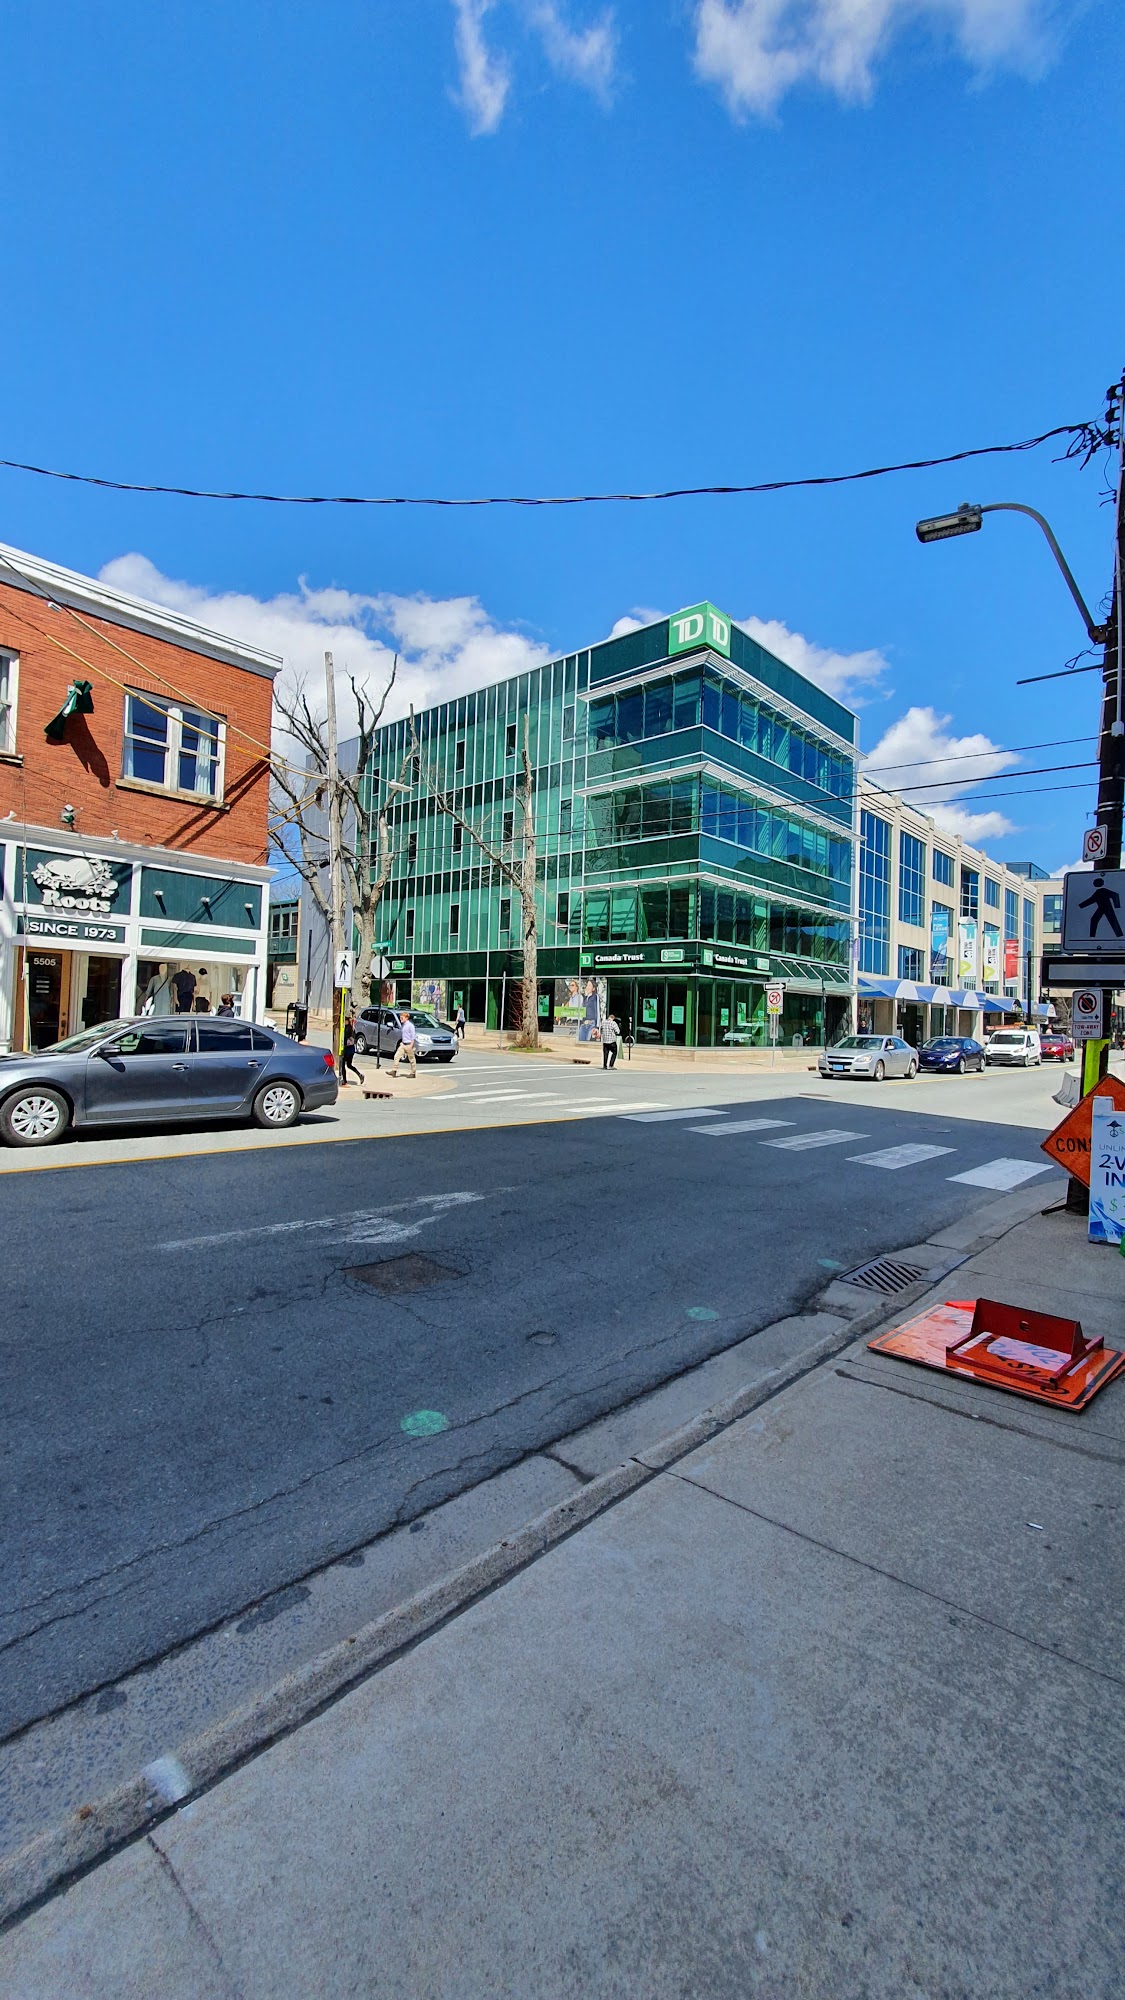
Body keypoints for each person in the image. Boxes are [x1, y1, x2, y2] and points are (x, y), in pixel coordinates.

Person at [340, 1011, 365, 1087]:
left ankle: (344, 1081)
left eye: (345, 1020)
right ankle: (360, 1075)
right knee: (349, 1065)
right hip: (351, 1049)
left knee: (343, 1065)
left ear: (347, 1020)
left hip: (347, 1049)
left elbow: (345, 1039)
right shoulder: (352, 1028)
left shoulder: (347, 1029)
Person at [391, 1009, 417, 1078]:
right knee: (396, 1056)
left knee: (411, 1059)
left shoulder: (410, 1025)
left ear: (406, 1018)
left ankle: (413, 1073)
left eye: (402, 1018)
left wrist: (411, 1045)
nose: (400, 1019)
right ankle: (394, 1070)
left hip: (409, 1044)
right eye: (400, 1018)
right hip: (403, 1044)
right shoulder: (404, 1025)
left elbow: (413, 1036)